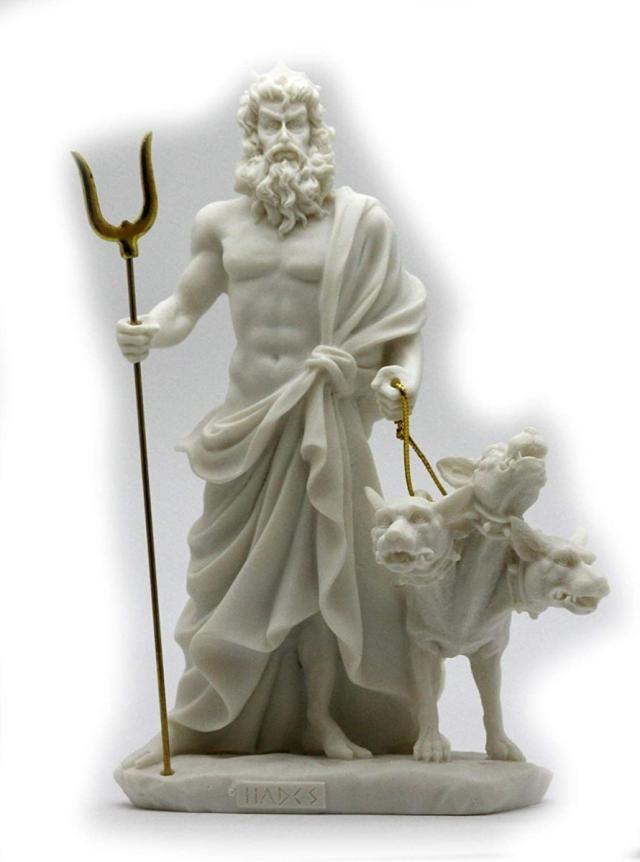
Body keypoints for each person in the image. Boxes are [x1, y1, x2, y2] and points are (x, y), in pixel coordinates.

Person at [118, 64, 427, 768]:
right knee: (228, 583)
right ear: (252, 136)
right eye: (271, 124)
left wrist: (403, 381)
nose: (284, 135)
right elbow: (184, 306)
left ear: (318, 134)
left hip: (327, 422)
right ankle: (206, 721)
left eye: (297, 123)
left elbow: (402, 327)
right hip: (247, 428)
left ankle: (321, 717)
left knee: (325, 578)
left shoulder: (361, 222)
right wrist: (148, 329)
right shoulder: (220, 224)